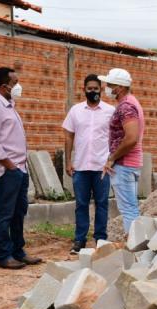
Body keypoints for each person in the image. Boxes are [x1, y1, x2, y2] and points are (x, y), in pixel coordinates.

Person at [0, 67, 41, 269]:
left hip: (19, 168)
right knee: (5, 213)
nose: (18, 86)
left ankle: (18, 251)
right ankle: (4, 256)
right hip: (7, 170)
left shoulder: (8, 105)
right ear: (4, 86)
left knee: (18, 212)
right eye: (15, 83)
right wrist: (10, 166)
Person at [62, 74, 115, 254]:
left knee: (102, 203)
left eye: (96, 88)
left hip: (102, 167)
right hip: (81, 167)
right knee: (81, 204)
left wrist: (112, 159)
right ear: (84, 89)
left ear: (101, 89)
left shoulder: (110, 111)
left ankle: (100, 239)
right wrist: (68, 161)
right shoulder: (75, 110)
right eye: (89, 88)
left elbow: (116, 137)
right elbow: (68, 136)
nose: (93, 91)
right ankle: (79, 240)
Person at [98, 68, 144, 234]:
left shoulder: (125, 107)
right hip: (130, 163)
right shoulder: (132, 102)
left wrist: (112, 158)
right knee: (131, 208)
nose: (107, 88)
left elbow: (131, 138)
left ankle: (133, 250)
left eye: (110, 85)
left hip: (124, 164)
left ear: (120, 87)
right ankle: (137, 247)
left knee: (128, 210)